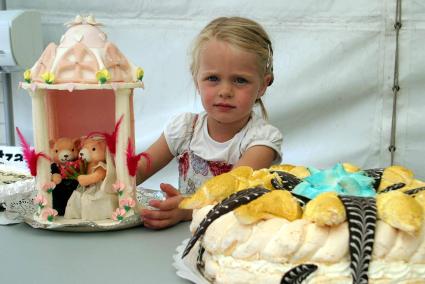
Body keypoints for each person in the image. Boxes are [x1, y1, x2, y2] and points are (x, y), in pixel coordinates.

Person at [137, 16, 283, 229]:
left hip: (233, 240)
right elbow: (139, 169)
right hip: (183, 238)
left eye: (240, 80)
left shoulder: (260, 141)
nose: (225, 91)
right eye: (213, 78)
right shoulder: (185, 129)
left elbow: (233, 194)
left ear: (263, 85)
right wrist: (105, 171)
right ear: (196, 79)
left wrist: (188, 209)